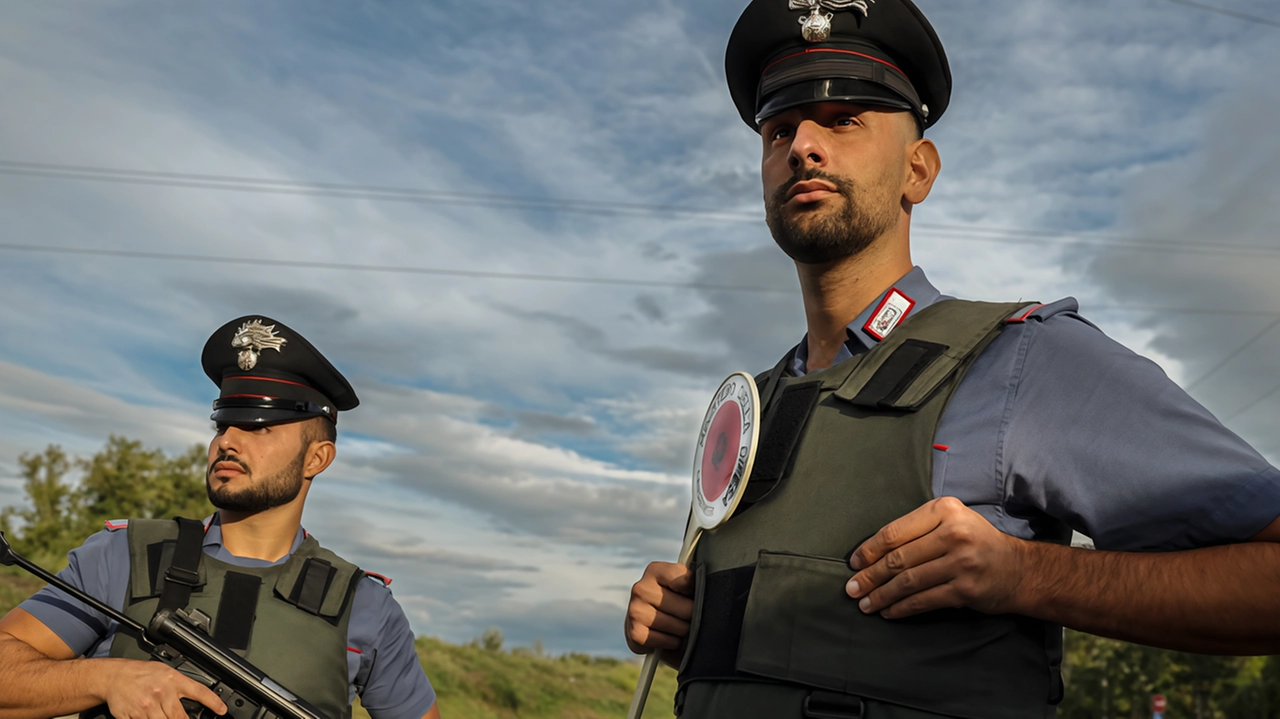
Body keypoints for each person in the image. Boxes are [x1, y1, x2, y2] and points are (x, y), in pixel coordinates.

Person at [624, 1, 1280, 717]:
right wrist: (694, 626)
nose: (802, 146)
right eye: (779, 129)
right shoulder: (751, 408)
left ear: (918, 170)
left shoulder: (1021, 360)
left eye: (844, 120)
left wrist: (1028, 575)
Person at [0, 316, 440, 719]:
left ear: (317, 458)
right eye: (223, 424)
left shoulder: (365, 607)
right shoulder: (123, 557)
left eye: (258, 427)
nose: (228, 441)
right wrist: (106, 679)